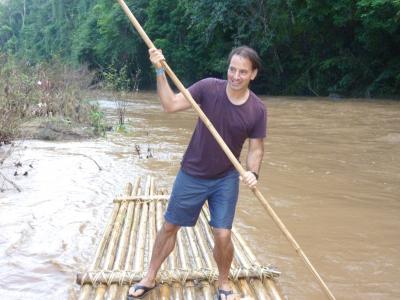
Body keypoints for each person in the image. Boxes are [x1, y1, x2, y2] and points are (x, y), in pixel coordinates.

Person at [128, 45, 267, 300]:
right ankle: (149, 276)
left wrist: (253, 173)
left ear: (253, 74)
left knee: (223, 234)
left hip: (225, 177)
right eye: (232, 69)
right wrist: (160, 70)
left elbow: (256, 148)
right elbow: (170, 105)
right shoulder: (208, 88)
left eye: (242, 72)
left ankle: (223, 283)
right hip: (192, 172)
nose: (235, 76)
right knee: (170, 226)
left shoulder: (257, 110)